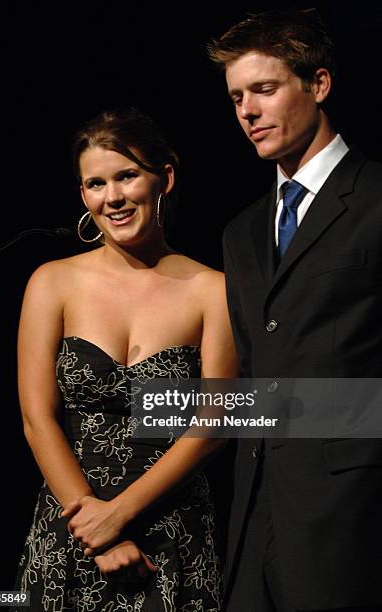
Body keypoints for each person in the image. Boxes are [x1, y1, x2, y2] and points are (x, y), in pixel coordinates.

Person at [12, 107, 238, 611]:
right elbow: (36, 418)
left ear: (165, 179)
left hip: (172, 535)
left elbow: (215, 423)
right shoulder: (52, 282)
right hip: (73, 528)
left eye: (127, 176)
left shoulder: (214, 291)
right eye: (95, 183)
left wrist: (121, 515)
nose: (112, 197)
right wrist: (98, 529)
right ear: (83, 196)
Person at [208, 8, 382, 612]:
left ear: (319, 84)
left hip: (353, 523)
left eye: (264, 89)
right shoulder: (241, 232)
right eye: (236, 98)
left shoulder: (377, 198)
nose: (248, 112)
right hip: (255, 523)